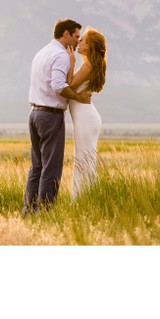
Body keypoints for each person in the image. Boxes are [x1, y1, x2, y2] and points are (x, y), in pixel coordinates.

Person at [24, 18, 92, 214]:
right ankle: (45, 212)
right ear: (66, 34)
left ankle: (29, 210)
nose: (77, 41)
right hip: (50, 116)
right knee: (51, 169)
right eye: (76, 36)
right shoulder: (61, 55)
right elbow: (58, 85)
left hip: (34, 113)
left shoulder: (42, 52)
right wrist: (78, 96)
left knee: (36, 167)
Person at [66, 28, 107, 197]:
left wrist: (71, 62)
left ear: (89, 46)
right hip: (87, 117)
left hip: (85, 118)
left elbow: (70, 84)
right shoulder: (90, 64)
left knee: (83, 161)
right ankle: (89, 198)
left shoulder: (88, 64)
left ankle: (81, 199)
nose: (79, 42)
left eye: (82, 40)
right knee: (85, 161)